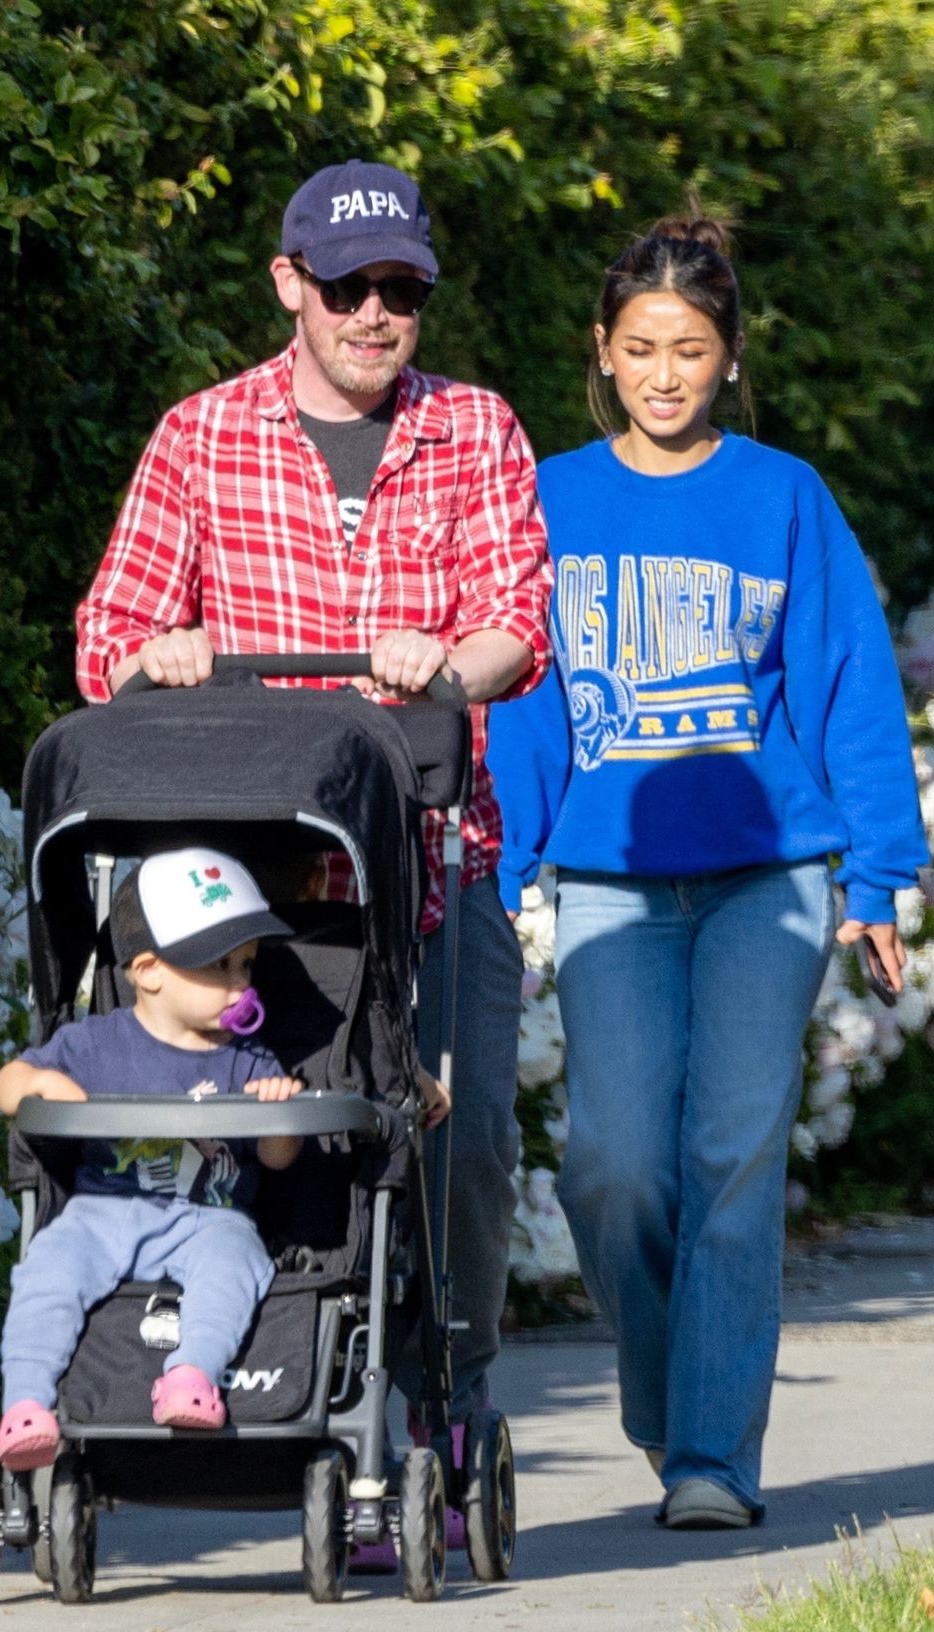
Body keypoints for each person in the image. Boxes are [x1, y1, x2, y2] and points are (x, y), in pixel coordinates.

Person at [74, 160, 552, 1462]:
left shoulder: (476, 429)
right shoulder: (201, 436)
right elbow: (108, 637)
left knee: (466, 1153)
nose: (375, 315)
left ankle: (449, 1398)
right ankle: (193, 1373)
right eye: (349, 287)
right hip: (242, 893)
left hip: (429, 870)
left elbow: (516, 620)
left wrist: (440, 665)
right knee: (246, 1140)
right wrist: (155, 660)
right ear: (292, 285)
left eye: (401, 289)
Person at [488, 215, 928, 1530]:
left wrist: (879, 878)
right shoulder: (552, 497)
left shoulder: (784, 496)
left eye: (691, 349)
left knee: (732, 1158)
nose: (665, 373)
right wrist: (508, 862)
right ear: (603, 356)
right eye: (641, 349)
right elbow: (522, 704)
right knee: (614, 1168)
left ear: (732, 359)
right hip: (610, 875)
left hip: (771, 878)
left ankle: (710, 1460)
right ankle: (669, 1396)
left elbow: (852, 685)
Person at [0, 846, 303, 1471]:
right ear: (150, 970)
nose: (242, 981)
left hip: (207, 1216)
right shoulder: (93, 1044)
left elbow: (277, 1159)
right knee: (47, 1268)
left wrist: (281, 1110)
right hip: (103, 1209)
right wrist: (37, 1087)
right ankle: (26, 1405)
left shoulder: (249, 1059)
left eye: (246, 963)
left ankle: (192, 1374)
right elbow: (5, 1085)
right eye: (221, 964)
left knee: (236, 1261)